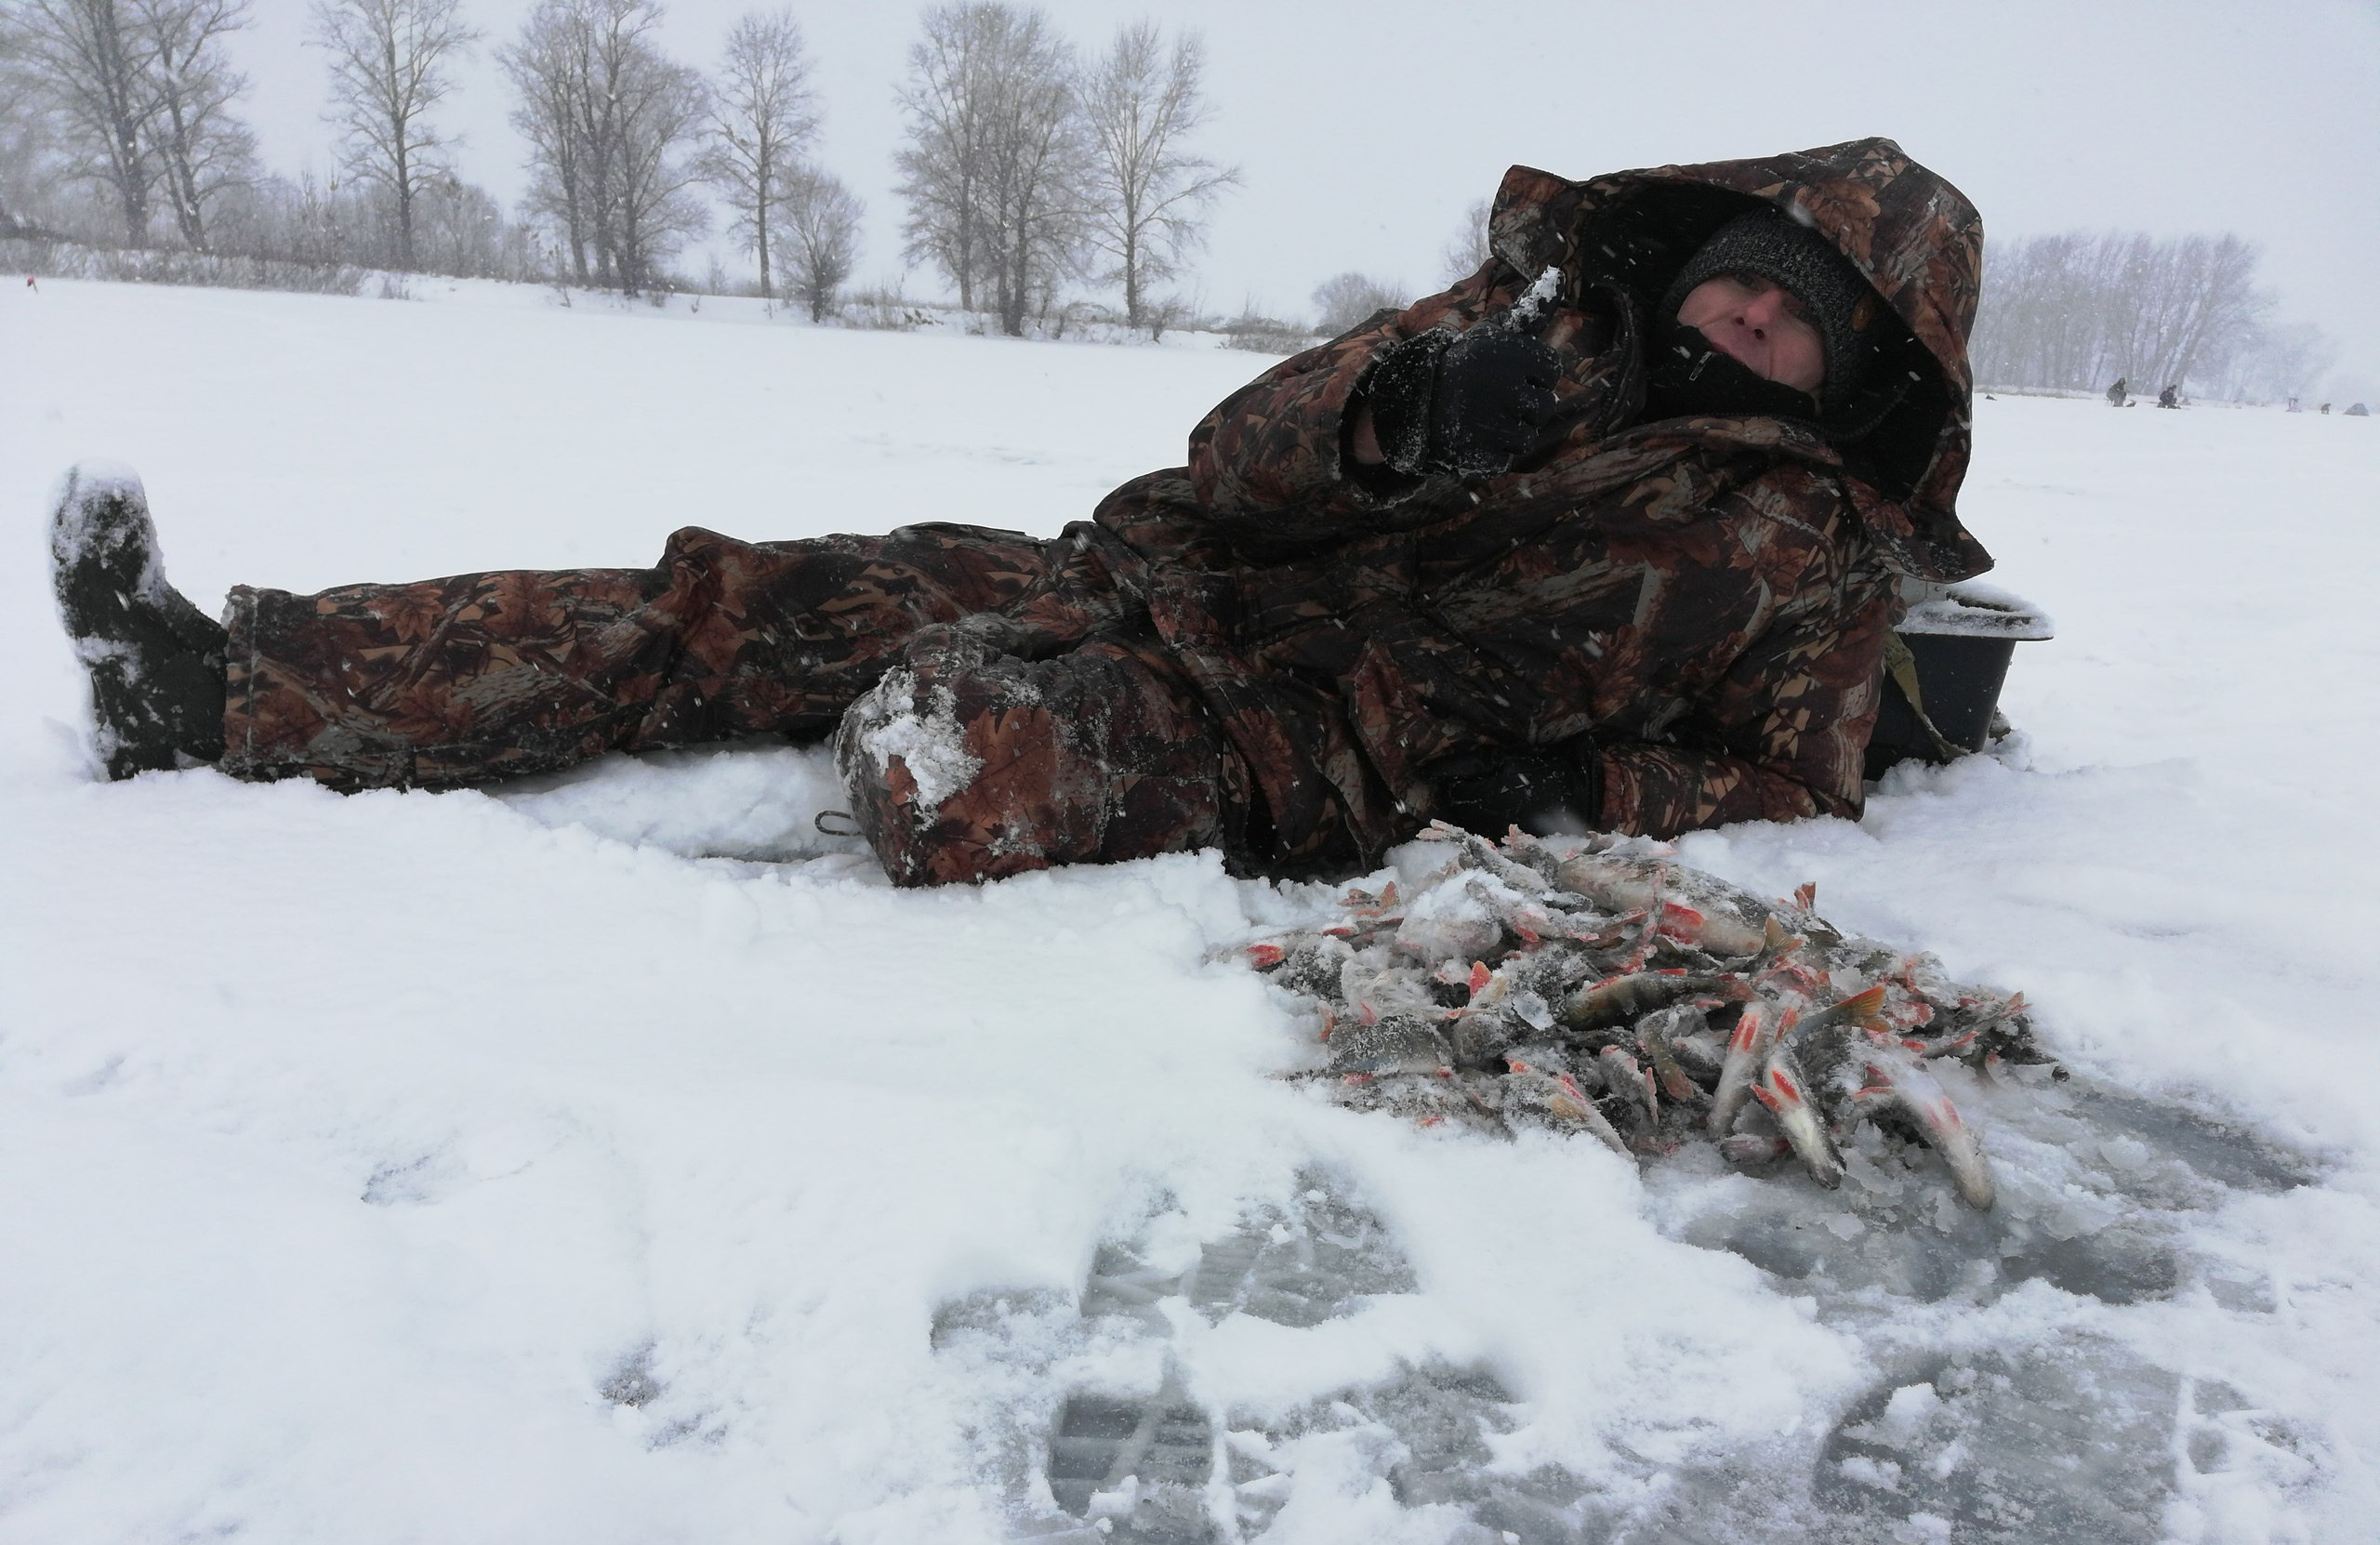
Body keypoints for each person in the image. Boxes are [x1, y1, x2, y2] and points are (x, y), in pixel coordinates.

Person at [53, 137, 1990, 890]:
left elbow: (1790, 782)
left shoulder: (1812, 554)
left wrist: (1582, 796)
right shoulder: (1528, 328)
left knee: (944, 768)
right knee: (731, 601)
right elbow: (1229, 453)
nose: (1744, 317)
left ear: (1847, 372)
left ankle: (943, 710)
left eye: (1792, 317)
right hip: (1146, 568)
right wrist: (1387, 413)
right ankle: (225, 686)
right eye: (1739, 275)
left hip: (1296, 742)